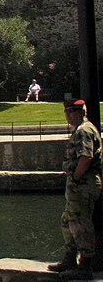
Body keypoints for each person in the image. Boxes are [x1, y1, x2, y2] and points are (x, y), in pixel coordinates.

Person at [48, 99, 102, 278]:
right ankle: (70, 259)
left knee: (80, 223)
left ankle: (85, 265)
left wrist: (76, 178)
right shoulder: (81, 130)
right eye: (67, 111)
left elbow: (85, 157)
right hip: (79, 184)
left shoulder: (84, 131)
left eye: (73, 111)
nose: (68, 115)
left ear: (82, 112)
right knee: (68, 220)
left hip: (83, 184)